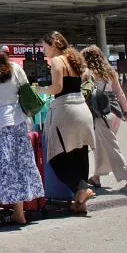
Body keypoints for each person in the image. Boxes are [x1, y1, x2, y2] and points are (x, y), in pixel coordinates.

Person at [0, 39, 44, 225]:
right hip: (17, 123)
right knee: (17, 165)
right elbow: (27, 92)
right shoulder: (15, 69)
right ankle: (19, 213)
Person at [35, 31, 96, 214]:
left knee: (56, 157)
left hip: (66, 110)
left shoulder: (56, 61)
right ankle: (80, 203)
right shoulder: (74, 60)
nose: (43, 51)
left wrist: (40, 89)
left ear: (53, 45)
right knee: (80, 154)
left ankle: (82, 190)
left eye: (44, 47)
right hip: (82, 109)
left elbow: (58, 87)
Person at [81, 46, 127, 193]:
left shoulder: (87, 73)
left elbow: (83, 93)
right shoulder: (111, 72)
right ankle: (96, 178)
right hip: (114, 113)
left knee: (111, 147)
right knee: (101, 145)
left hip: (100, 115)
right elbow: (120, 93)